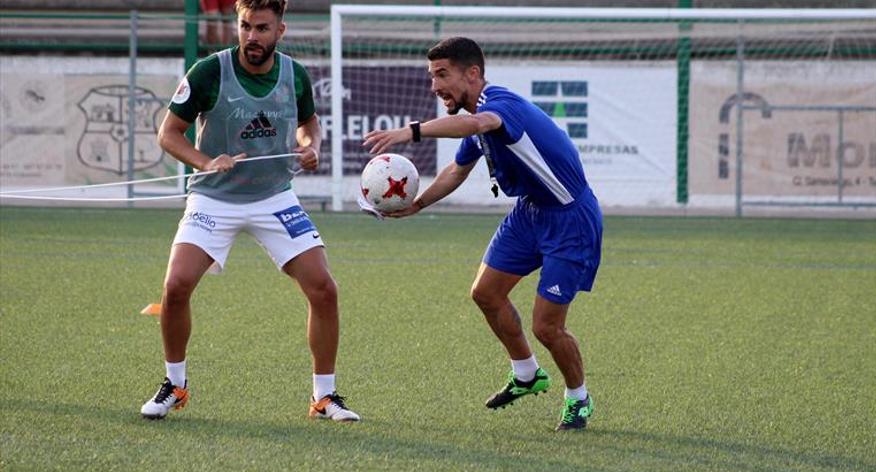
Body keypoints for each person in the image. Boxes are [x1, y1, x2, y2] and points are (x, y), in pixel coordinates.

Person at [363, 37, 602, 431]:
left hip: (570, 220)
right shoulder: (472, 113)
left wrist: (411, 132)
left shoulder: (499, 107)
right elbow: (458, 170)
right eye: (431, 76)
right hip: (529, 213)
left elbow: (477, 124)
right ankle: (526, 374)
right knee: (485, 293)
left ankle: (579, 398)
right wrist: (418, 204)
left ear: (472, 74)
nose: (434, 86)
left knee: (547, 326)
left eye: (442, 75)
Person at [141, 0, 360, 422]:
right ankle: (175, 385)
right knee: (176, 286)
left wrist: (311, 145)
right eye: (245, 26)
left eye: (262, 28)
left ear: (281, 30)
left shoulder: (295, 74)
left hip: (275, 197)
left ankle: (324, 396)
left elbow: (310, 123)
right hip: (213, 198)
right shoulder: (208, 72)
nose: (251, 37)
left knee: (324, 289)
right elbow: (168, 135)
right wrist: (206, 162)